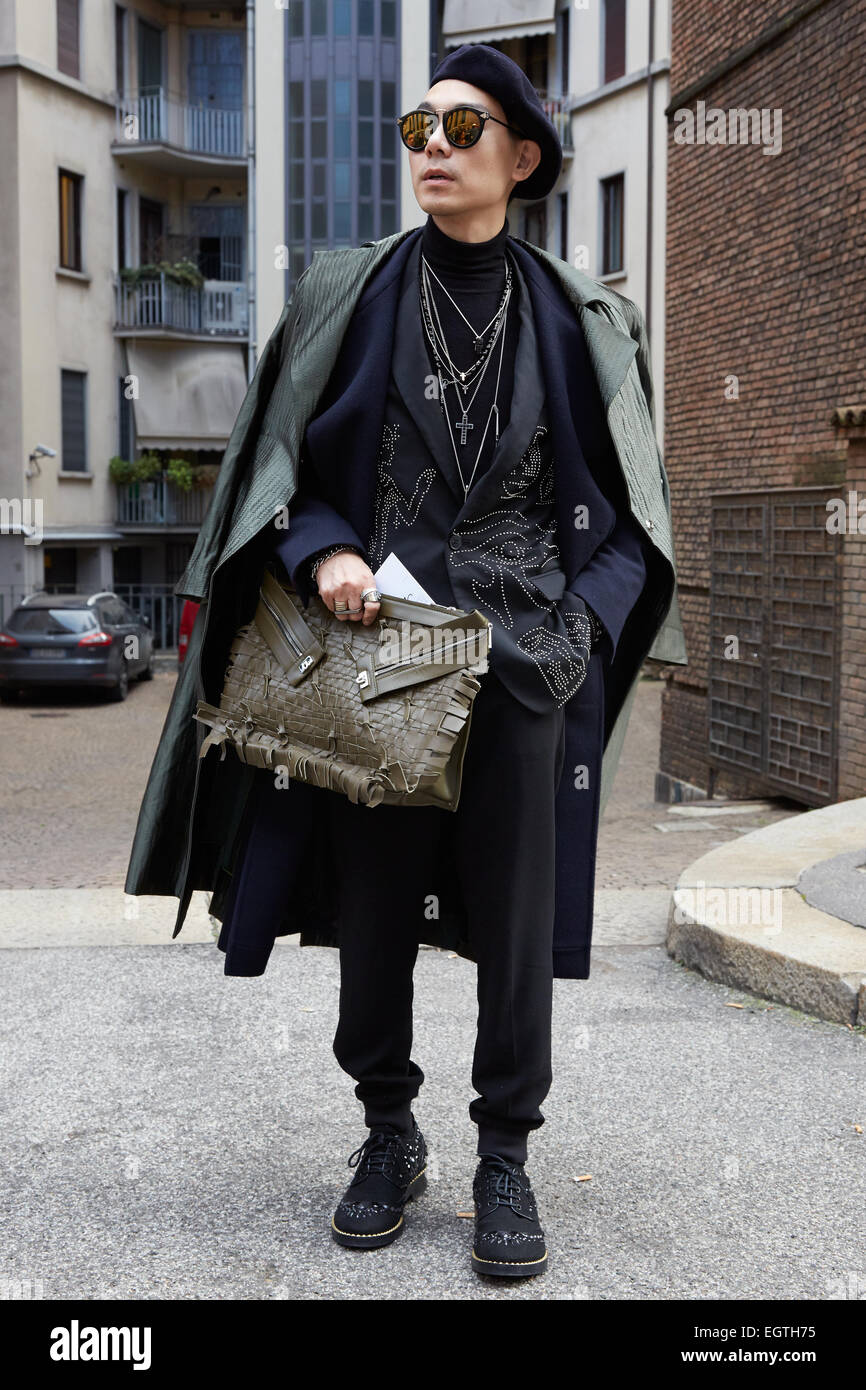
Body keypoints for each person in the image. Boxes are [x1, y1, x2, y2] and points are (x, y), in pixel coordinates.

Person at [124, 44, 686, 1283]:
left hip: (527, 664)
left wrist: (576, 633)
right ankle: (387, 1132)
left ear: (520, 158)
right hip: (376, 657)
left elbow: (633, 521)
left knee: (516, 917)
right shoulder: (347, 293)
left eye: (462, 125)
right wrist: (323, 550)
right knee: (372, 912)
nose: (431, 144)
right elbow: (287, 475)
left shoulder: (586, 320)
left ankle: (504, 1154)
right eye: (416, 125)